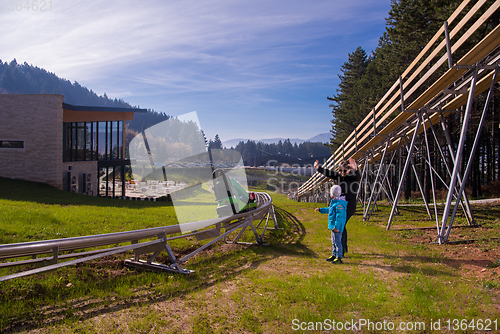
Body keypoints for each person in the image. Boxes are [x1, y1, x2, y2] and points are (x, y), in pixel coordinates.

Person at [314, 157, 359, 257]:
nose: (342, 172)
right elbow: (329, 173)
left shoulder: (352, 177)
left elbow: (357, 177)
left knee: (340, 227)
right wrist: (318, 168)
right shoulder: (339, 176)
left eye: (344, 171)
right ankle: (342, 249)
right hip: (340, 206)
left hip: (349, 206)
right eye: (340, 170)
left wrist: (356, 169)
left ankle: (340, 252)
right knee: (341, 227)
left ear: (349, 170)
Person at [314, 185, 347, 264]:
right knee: (333, 241)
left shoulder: (339, 204)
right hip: (333, 226)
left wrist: (337, 227)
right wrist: (320, 210)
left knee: (338, 242)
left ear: (334, 194)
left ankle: (339, 257)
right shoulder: (335, 203)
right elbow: (329, 209)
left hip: (336, 227)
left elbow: (340, 217)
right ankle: (334, 254)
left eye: (331, 193)